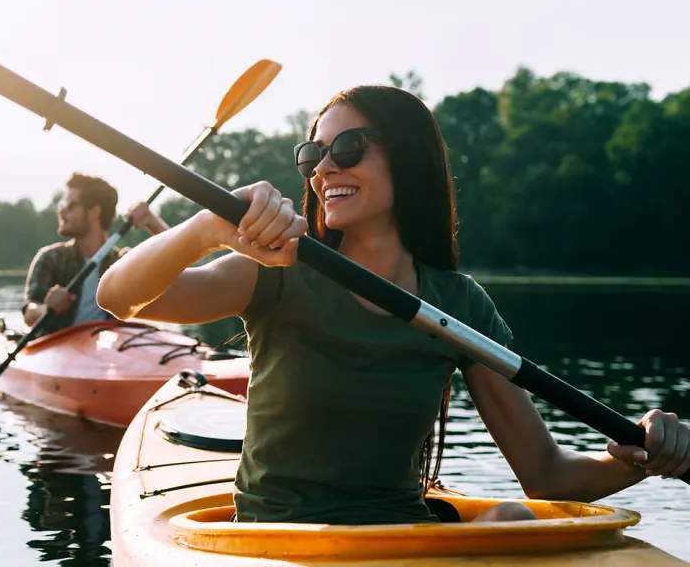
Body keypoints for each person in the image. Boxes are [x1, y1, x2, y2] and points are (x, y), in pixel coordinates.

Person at [97, 85, 690, 525]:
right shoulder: (276, 270)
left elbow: (544, 474)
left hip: (403, 539)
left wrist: (640, 455)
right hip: (276, 540)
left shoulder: (459, 306)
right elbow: (117, 296)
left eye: (349, 147)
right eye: (314, 155)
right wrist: (206, 229)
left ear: (407, 158)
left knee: (515, 518)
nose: (326, 168)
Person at [22, 172, 168, 337]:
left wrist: (151, 222)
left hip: (104, 353)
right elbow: (29, 313)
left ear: (94, 212)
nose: (62, 212)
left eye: (70, 205)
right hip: (56, 349)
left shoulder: (123, 263)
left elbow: (178, 263)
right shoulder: (50, 258)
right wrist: (47, 309)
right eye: (61, 204)